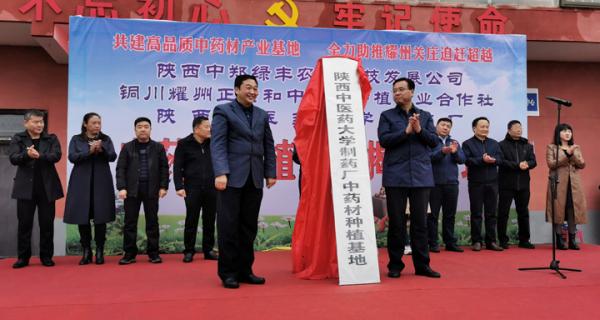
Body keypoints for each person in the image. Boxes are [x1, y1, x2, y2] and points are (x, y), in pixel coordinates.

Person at [211, 74, 277, 289]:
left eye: (256, 88)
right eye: (248, 87)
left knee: (248, 227)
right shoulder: (223, 111)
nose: (252, 92)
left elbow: (268, 144)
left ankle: (245, 270)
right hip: (230, 178)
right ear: (237, 89)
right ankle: (228, 273)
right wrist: (221, 172)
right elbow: (218, 144)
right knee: (228, 226)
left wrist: (270, 172)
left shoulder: (261, 114)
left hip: (254, 177)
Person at [377, 77, 441, 279]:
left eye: (401, 89)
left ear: (412, 91)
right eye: (394, 90)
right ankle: (395, 265)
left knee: (420, 223)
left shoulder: (425, 115)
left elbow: (433, 141)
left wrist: (419, 130)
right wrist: (405, 132)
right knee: (396, 223)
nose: (397, 93)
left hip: (421, 176)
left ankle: (423, 265)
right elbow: (384, 141)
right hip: (396, 176)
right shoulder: (386, 116)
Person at [9, 109, 64, 268]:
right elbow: (14, 158)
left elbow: (56, 155)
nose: (39, 125)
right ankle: (23, 258)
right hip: (25, 188)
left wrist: (39, 155)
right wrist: (27, 155)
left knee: (47, 224)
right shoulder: (19, 138)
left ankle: (46, 256)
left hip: (47, 188)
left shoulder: (51, 138)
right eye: (36, 122)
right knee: (24, 224)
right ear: (26, 123)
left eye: (41, 122)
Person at [64, 112, 117, 265]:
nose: (97, 126)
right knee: (83, 217)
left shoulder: (105, 139)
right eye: (93, 123)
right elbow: (72, 157)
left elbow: (113, 156)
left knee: (101, 217)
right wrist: (89, 151)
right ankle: (86, 251)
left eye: (99, 123)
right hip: (81, 182)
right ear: (85, 124)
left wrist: (101, 150)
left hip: (101, 181)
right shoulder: (76, 139)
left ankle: (100, 251)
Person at [116, 117, 169, 265]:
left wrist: (163, 186)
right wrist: (122, 187)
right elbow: (121, 168)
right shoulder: (127, 147)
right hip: (131, 190)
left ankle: (153, 253)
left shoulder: (158, 148)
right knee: (130, 223)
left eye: (146, 126)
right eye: (140, 127)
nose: (143, 129)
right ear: (135, 130)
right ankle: (129, 254)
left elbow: (164, 168)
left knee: (152, 222)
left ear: (150, 129)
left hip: (151, 189)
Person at [173, 116, 218, 263]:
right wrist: (179, 186)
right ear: (196, 129)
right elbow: (177, 167)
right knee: (191, 219)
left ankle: (208, 250)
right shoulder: (184, 144)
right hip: (192, 188)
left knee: (209, 220)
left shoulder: (213, 143)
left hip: (212, 187)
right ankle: (189, 251)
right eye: (206, 126)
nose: (209, 129)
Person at [462, 117, 504, 252]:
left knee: (492, 213)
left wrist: (493, 160)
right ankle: (476, 241)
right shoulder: (467, 143)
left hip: (493, 182)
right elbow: (467, 160)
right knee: (476, 213)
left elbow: (501, 159)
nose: (485, 129)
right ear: (474, 128)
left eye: (487, 126)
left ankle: (491, 241)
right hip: (476, 183)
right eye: (482, 126)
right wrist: (482, 159)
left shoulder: (494, 143)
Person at [545, 123, 587, 250]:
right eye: (564, 131)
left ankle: (572, 240)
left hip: (574, 183)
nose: (567, 133)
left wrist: (573, 153)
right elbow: (551, 164)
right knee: (558, 210)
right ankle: (559, 240)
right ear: (558, 134)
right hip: (558, 182)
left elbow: (582, 164)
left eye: (569, 131)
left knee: (572, 210)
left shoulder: (576, 147)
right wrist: (567, 154)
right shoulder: (552, 147)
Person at [427, 117, 466, 253]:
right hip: (434, 183)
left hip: (451, 183)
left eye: (448, 126)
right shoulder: (430, 141)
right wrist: (442, 152)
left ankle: (450, 242)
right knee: (433, 215)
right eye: (443, 125)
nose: (445, 127)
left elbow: (462, 160)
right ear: (436, 126)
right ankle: (432, 243)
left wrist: (454, 152)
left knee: (450, 215)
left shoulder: (454, 142)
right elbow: (428, 158)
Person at [497, 120, 536, 249]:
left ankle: (524, 240)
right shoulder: (501, 145)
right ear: (509, 130)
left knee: (523, 212)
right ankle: (503, 240)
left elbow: (533, 161)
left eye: (520, 127)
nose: (519, 129)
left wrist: (528, 164)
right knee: (503, 212)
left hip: (524, 184)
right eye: (516, 127)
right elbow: (500, 161)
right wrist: (517, 165)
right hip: (506, 184)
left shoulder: (527, 145)